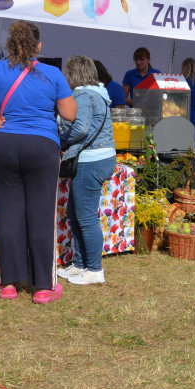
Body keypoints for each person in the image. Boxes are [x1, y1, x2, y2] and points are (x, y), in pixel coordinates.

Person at [0, 21, 76, 303]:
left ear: (10, 45)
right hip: (42, 146)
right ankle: (43, 288)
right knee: (41, 215)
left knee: (7, 214)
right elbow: (69, 114)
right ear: (38, 46)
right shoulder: (52, 73)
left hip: (6, 144)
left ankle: (9, 284)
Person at [56, 56, 116, 285]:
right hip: (101, 157)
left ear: (74, 74)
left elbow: (79, 129)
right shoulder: (99, 93)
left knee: (86, 217)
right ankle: (80, 265)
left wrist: (61, 139)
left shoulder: (83, 95)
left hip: (91, 160)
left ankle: (94, 270)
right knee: (75, 213)